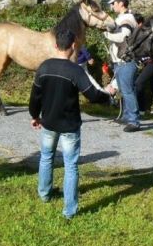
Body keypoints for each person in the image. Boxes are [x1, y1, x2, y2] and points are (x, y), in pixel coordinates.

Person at [29, 28, 113, 220]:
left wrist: (35, 115)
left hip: (48, 122)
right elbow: (92, 95)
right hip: (69, 125)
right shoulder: (75, 70)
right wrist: (107, 93)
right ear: (73, 46)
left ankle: (44, 194)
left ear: (56, 45)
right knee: (71, 165)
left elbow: (35, 96)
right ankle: (69, 210)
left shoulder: (44, 66)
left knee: (46, 157)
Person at [103, 0, 140, 132]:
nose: (112, 6)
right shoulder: (122, 18)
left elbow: (123, 37)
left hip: (126, 61)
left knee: (128, 91)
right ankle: (127, 116)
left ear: (121, 3)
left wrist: (106, 34)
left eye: (113, 3)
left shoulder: (128, 18)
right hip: (121, 61)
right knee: (125, 91)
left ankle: (134, 121)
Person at [133, 14, 153, 115]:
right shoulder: (137, 34)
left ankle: (142, 109)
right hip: (144, 62)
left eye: (136, 24)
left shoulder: (149, 34)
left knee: (139, 83)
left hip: (152, 62)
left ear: (140, 23)